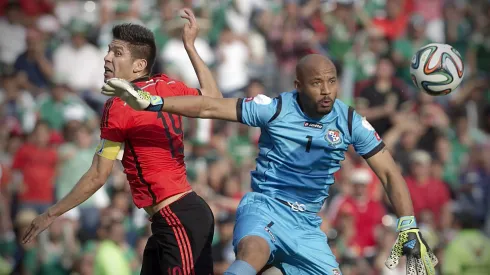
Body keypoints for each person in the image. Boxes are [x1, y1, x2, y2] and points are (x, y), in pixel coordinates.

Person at [104, 50, 440, 274]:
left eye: (332, 81)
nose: (326, 90)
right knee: (251, 254)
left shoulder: (350, 122)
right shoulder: (274, 108)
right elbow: (209, 107)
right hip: (264, 207)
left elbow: (390, 173)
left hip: (307, 226)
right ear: (297, 86)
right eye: (316, 82)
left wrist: (407, 225)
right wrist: (154, 103)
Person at [22, 9, 221, 275]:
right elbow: (215, 100)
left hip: (177, 219)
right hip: (173, 218)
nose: (106, 58)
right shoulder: (167, 85)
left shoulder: (118, 105)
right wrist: (190, 47)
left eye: (116, 52)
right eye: (108, 50)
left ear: (138, 64)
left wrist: (52, 214)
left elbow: (97, 175)